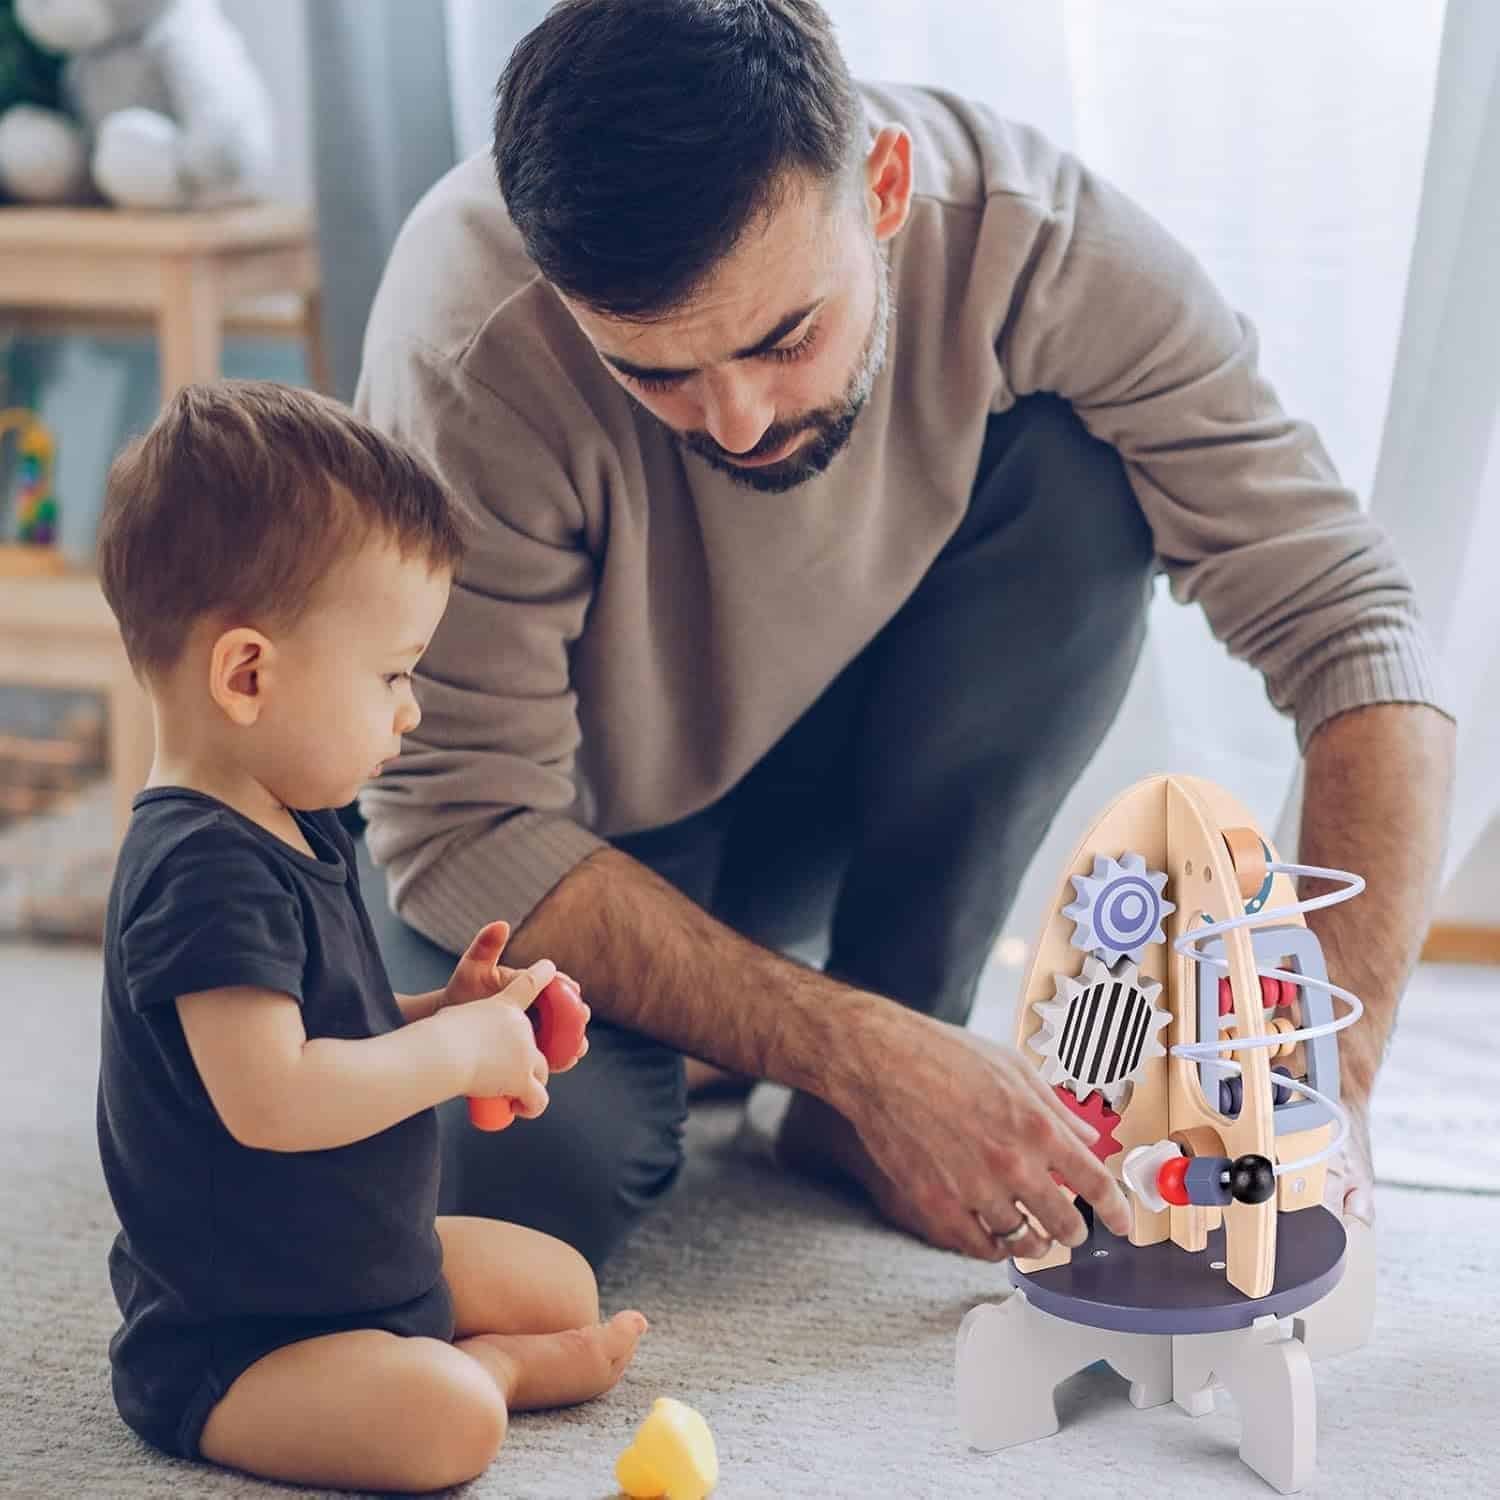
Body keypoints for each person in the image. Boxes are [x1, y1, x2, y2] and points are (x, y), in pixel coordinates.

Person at [354, 0, 1455, 1272]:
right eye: (655, 372)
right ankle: (817, 1056)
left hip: (803, 801)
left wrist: (1329, 1083)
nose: (736, 420)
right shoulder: (466, 332)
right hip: (555, 850)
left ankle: (849, 1068)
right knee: (514, 1191)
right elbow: (460, 827)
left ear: (883, 186)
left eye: (786, 337)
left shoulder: (1037, 241)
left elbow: (1357, 629)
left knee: (1082, 478)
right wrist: (855, 1046)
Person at [93, 381, 646, 1494]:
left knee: (565, 1285)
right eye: (392, 674)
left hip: (361, 1259)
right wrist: (454, 1059)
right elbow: (274, 1097)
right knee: (448, 1426)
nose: (411, 711)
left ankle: (442, 1345)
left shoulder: (291, 822)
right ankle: (475, 1371)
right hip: (244, 1332)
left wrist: (451, 1012)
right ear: (248, 675)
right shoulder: (199, 870)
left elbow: (318, 1031)